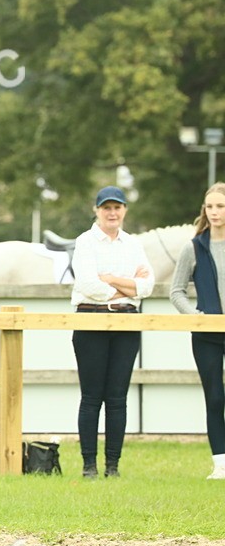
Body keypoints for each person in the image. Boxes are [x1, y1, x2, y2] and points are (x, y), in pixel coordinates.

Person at [70, 186, 154, 478]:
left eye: (117, 207)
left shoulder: (133, 244)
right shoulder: (85, 242)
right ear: (96, 210)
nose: (112, 213)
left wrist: (112, 280)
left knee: (117, 398)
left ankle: (113, 466)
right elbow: (87, 284)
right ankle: (89, 465)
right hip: (91, 321)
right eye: (106, 208)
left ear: (124, 210)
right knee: (92, 396)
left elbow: (147, 286)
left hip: (126, 322)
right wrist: (126, 287)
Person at [169, 182, 225, 480]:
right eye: (210, 206)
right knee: (215, 396)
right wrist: (196, 316)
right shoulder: (193, 247)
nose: (215, 212)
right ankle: (221, 463)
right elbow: (176, 291)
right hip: (206, 335)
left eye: (221, 206)